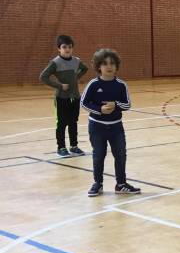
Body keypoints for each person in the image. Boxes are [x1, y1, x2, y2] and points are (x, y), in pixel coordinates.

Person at [80, 49, 140, 196]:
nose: (109, 66)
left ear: (116, 66)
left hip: (116, 128)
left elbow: (127, 105)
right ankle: (98, 184)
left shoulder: (121, 85)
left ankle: (121, 184)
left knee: (120, 154)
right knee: (98, 155)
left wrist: (116, 105)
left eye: (112, 63)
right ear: (98, 66)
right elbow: (83, 103)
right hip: (97, 127)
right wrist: (99, 109)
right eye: (105, 63)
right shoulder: (93, 84)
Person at [40, 35, 89, 157]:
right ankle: (61, 147)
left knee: (73, 122)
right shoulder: (55, 62)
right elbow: (43, 77)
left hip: (75, 97)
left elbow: (85, 68)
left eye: (70, 47)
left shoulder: (76, 61)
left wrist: (75, 78)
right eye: (64, 47)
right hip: (61, 97)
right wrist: (59, 85)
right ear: (59, 48)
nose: (67, 49)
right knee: (61, 123)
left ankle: (74, 146)